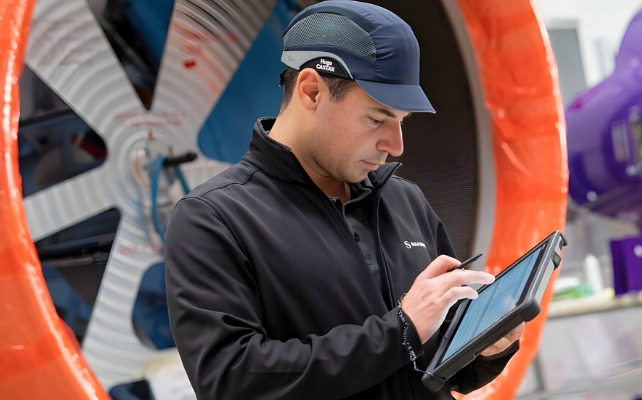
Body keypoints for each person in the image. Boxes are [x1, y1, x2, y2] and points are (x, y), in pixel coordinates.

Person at [163, 2, 523, 398]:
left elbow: (437, 369)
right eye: (376, 118)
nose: (395, 144)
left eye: (401, 121)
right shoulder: (213, 219)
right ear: (312, 91)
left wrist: (484, 350)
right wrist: (399, 331)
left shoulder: (405, 202)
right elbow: (232, 381)